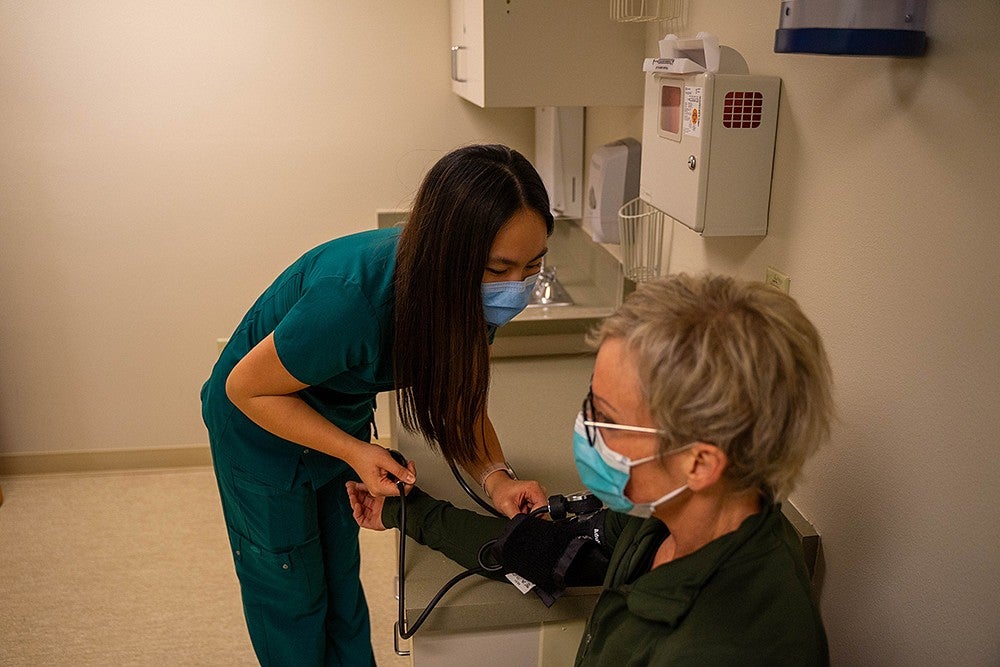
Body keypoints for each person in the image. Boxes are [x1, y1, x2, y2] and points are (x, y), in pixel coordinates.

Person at [347, 273, 835, 665]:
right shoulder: (670, 519)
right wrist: (410, 512)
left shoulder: (729, 646)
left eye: (608, 418)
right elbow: (545, 551)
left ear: (700, 461)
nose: (584, 428)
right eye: (590, 404)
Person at [200, 144, 553, 666]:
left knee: (341, 582)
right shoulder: (353, 299)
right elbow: (245, 388)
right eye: (498, 268)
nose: (514, 289)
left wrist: (497, 478)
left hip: (335, 420)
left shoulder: (463, 295)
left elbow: (460, 397)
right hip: (261, 429)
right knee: (292, 593)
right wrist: (355, 451)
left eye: (531, 267)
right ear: (448, 254)